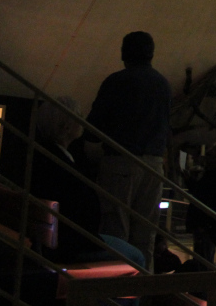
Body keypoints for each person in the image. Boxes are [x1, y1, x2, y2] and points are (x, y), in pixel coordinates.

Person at [86, 31, 172, 270]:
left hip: (121, 161)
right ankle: (142, 293)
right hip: (153, 164)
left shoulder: (117, 81)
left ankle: (116, 294)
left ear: (125, 52)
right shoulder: (163, 84)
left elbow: (94, 126)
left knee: (115, 229)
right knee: (145, 234)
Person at [30, 97, 145, 267]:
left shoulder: (46, 156)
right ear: (66, 126)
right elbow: (78, 209)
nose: (83, 121)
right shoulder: (60, 164)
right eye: (78, 116)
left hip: (55, 238)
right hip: (71, 244)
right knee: (137, 257)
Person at [185, 143, 216, 264]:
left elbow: (206, 198)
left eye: (209, 156)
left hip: (207, 226)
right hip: (208, 226)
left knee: (202, 260)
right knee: (203, 258)